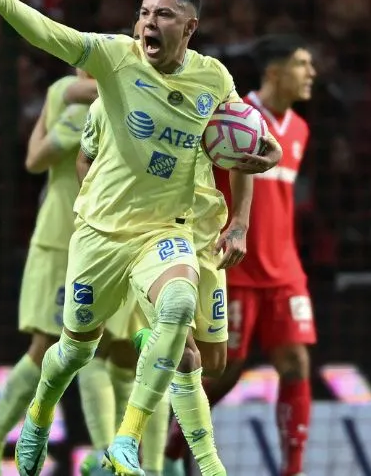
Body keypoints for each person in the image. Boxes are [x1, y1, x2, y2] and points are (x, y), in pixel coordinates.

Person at [0, 0, 281, 476]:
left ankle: (128, 442)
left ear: (189, 28)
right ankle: (37, 415)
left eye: (164, 15)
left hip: (167, 232)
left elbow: (247, 142)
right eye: (144, 13)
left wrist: (261, 177)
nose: (149, 22)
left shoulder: (213, 78)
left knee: (179, 310)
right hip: (100, 234)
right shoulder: (114, 59)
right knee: (73, 352)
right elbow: (48, 34)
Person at [161, 35, 318, 476]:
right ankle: (171, 450)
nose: (311, 73)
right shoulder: (232, 116)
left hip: (285, 271)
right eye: (302, 63)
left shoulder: (300, 129)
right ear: (274, 71)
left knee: (296, 363)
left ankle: (293, 471)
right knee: (224, 370)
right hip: (235, 266)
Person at [81, 95, 250, 476]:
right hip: (159, 237)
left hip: (207, 235)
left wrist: (240, 222)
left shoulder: (211, 84)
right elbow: (85, 160)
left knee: (215, 363)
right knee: (183, 353)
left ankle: (151, 342)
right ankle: (196, 465)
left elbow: (248, 148)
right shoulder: (125, 96)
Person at [0, 69, 96, 475]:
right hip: (62, 240)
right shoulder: (79, 104)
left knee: (115, 348)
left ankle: (114, 452)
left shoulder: (105, 99)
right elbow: (35, 160)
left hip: (106, 241)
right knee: (48, 345)